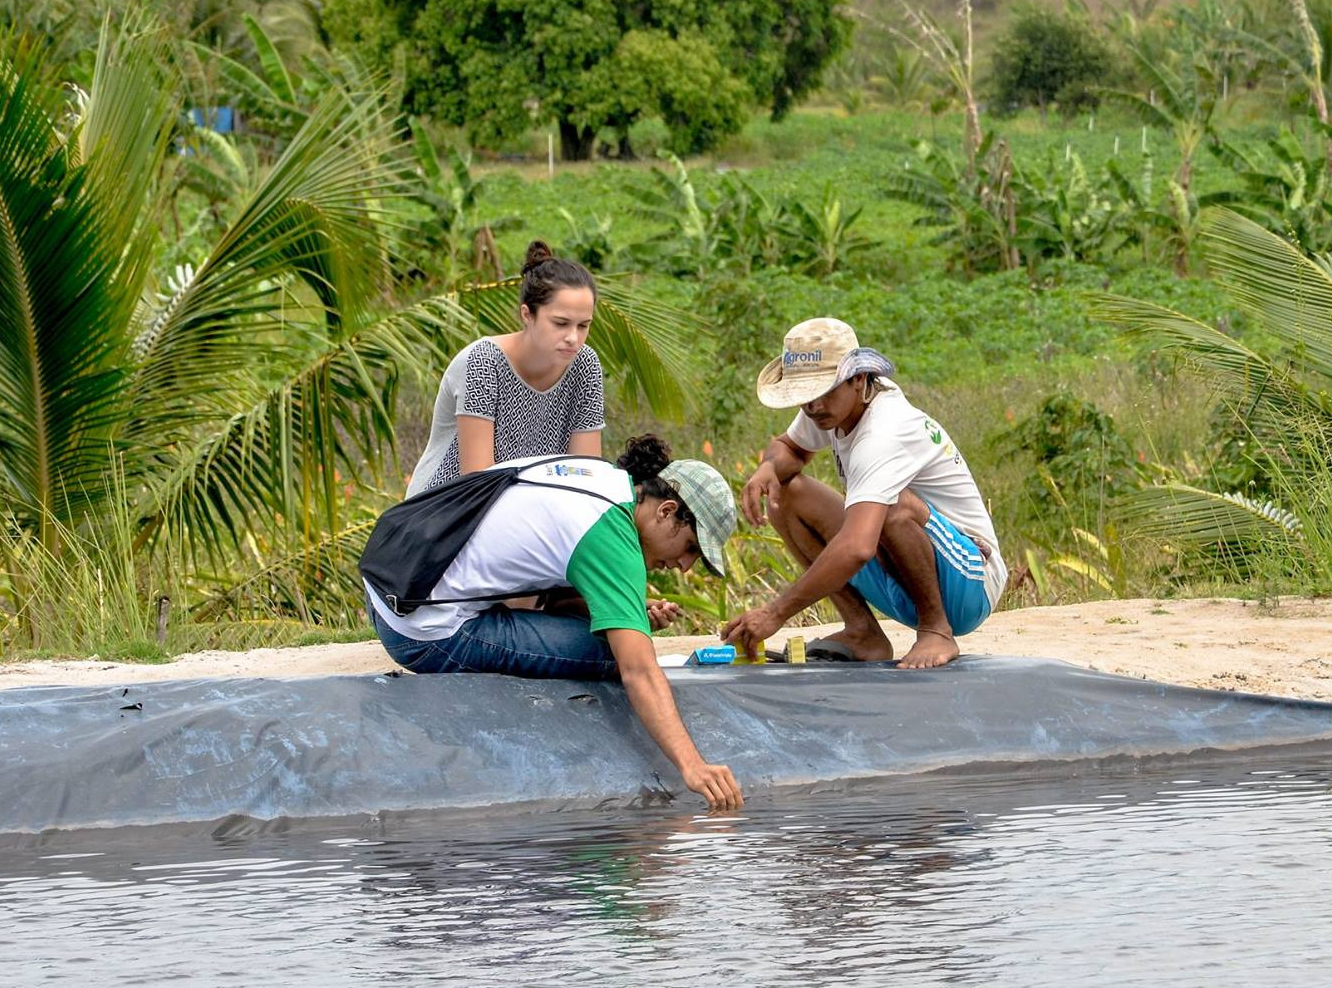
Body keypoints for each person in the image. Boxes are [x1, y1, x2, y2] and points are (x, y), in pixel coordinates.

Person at [366, 435, 745, 811]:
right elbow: (639, 671)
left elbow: (551, 581)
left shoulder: (602, 481)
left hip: (390, 590)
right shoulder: (613, 539)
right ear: (666, 511)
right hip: (424, 631)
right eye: (692, 548)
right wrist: (693, 767)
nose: (684, 566)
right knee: (610, 654)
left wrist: (624, 610)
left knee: (620, 634)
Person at [720, 317, 1006, 670]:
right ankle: (862, 631)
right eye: (805, 397)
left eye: (822, 392)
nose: (812, 407)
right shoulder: (832, 406)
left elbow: (857, 547)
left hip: (968, 583)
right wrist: (767, 468)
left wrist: (775, 613)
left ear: (857, 379)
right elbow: (789, 449)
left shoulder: (885, 431)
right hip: (904, 574)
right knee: (788, 494)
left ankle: (937, 630)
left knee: (889, 505)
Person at [405, 240, 606, 496]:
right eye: (560, 323)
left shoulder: (585, 365)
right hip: (444, 512)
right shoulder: (484, 361)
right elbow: (478, 481)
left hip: (532, 509)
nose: (573, 338)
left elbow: (585, 476)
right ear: (527, 315)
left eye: (583, 326)